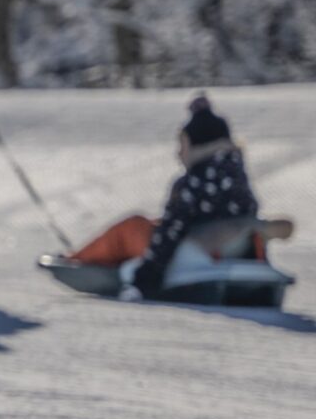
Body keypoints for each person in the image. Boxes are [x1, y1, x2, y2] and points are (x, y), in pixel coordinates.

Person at [62, 94, 285, 299]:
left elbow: (168, 236)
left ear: (198, 146)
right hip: (222, 248)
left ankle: (78, 260)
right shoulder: (237, 178)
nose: (178, 153)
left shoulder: (191, 183)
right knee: (153, 223)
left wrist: (144, 282)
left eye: (183, 145)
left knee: (132, 226)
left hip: (194, 252)